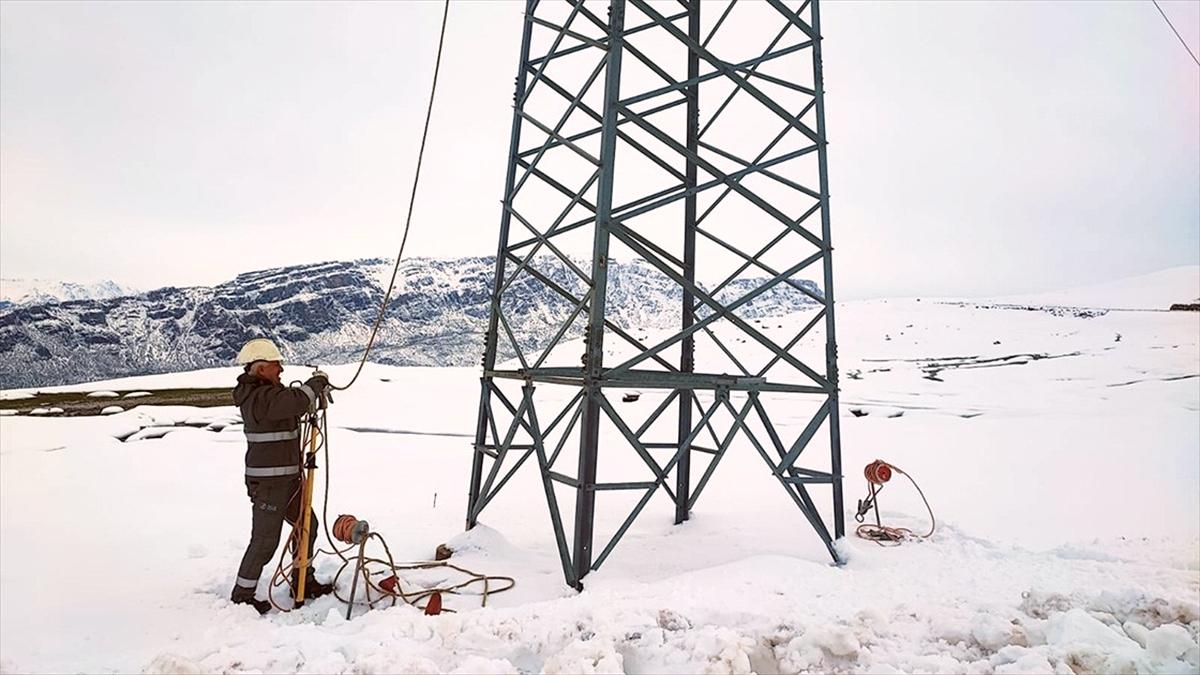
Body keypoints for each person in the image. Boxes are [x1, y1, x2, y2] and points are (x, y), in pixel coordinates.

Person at [229, 337, 334, 614]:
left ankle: (302, 580)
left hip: (287, 480)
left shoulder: (271, 395)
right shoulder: (259, 398)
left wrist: (315, 399)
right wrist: (316, 385)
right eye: (277, 366)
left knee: (306, 526)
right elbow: (296, 400)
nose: (281, 371)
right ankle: (242, 594)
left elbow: (295, 406)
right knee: (265, 540)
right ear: (261, 369)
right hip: (269, 484)